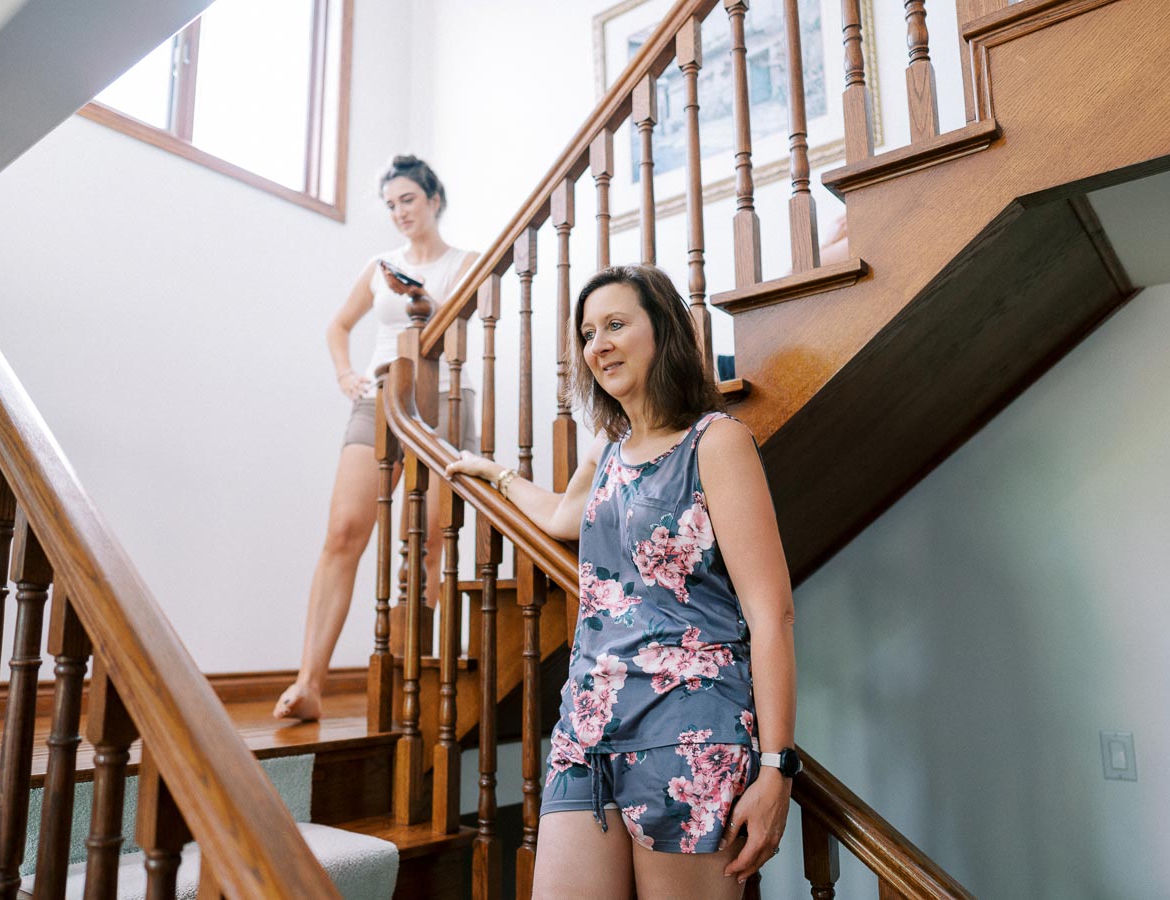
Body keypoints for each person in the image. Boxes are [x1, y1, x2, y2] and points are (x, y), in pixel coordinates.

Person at [446, 264, 797, 895]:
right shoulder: (608, 451)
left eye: (615, 324)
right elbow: (560, 516)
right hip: (586, 729)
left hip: (686, 733)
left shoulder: (715, 443)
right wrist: (493, 476)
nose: (598, 343)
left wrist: (777, 767)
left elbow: (772, 616)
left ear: (663, 330)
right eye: (588, 333)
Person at [274, 155, 480, 721]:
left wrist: (419, 297)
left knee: (433, 545)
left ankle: (419, 680)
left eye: (408, 199)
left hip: (446, 404)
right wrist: (346, 374)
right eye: (391, 205)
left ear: (434, 198)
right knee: (343, 531)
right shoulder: (378, 264)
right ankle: (309, 683)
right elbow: (338, 326)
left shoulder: (467, 263)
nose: (399, 213)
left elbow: (463, 329)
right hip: (381, 400)